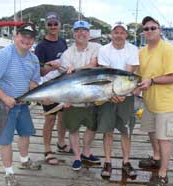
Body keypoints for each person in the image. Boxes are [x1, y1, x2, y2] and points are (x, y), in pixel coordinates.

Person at [0, 23, 42, 186]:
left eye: (30, 37)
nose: (27, 40)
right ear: (16, 36)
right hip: (2, 104)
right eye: (24, 35)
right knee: (5, 140)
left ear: (33, 40)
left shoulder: (34, 59)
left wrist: (40, 92)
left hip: (22, 103)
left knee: (25, 133)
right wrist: (4, 97)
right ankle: (9, 173)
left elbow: (34, 82)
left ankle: (24, 160)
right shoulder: (4, 55)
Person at [134, 16, 173, 186]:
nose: (149, 31)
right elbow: (139, 77)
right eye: (146, 29)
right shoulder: (141, 52)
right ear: (143, 33)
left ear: (160, 30)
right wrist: (134, 88)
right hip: (149, 102)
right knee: (152, 131)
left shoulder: (168, 50)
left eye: (153, 28)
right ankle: (156, 157)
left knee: (164, 139)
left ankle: (163, 171)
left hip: (167, 104)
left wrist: (152, 81)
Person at [97, 22, 139, 178]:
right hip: (107, 96)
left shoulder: (133, 49)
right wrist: (113, 94)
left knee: (125, 131)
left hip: (126, 97)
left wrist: (122, 91)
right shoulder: (104, 50)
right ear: (111, 34)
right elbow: (105, 73)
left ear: (126, 35)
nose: (119, 35)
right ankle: (107, 162)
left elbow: (129, 72)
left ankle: (126, 162)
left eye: (122, 32)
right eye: (116, 32)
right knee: (108, 131)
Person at [60, 20, 101, 171]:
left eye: (84, 30)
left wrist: (76, 69)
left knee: (92, 127)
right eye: (78, 30)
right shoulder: (67, 54)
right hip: (73, 99)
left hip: (92, 98)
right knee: (73, 129)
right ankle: (77, 156)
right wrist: (65, 98)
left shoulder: (97, 48)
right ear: (74, 34)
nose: (81, 33)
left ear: (89, 33)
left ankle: (86, 151)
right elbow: (65, 78)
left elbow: (94, 65)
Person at [35, 12, 71, 165]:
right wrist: (49, 66)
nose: (53, 27)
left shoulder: (63, 42)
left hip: (63, 86)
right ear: (46, 26)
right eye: (49, 24)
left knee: (63, 117)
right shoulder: (41, 46)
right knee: (50, 118)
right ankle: (47, 150)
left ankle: (61, 144)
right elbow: (38, 71)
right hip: (48, 87)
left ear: (59, 25)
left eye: (55, 24)